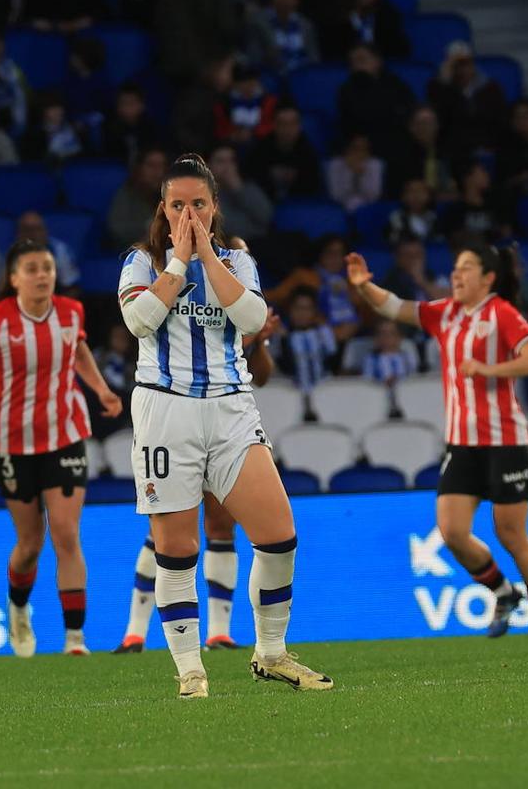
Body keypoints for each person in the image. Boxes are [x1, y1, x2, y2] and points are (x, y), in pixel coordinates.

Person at [116, 153, 333, 697]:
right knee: (177, 549)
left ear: (215, 207)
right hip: (165, 410)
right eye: (178, 204)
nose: (189, 213)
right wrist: (177, 263)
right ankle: (190, 668)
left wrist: (207, 257)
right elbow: (139, 320)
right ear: (162, 210)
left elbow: (255, 320)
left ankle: (271, 653)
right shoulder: (141, 260)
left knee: (279, 536)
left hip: (232, 408)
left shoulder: (237, 262)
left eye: (199, 203)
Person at [347, 240, 528, 638]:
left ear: (488, 278)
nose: (456, 275)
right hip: (462, 443)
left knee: (511, 533)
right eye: (455, 268)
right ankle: (503, 591)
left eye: (465, 268)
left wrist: (487, 367)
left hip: (506, 442)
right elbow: (394, 307)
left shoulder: (502, 313)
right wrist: (363, 285)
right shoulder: (444, 313)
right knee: (452, 532)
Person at [0, 239, 122, 657]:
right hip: (14, 444)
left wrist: (100, 389)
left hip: (65, 435)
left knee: (66, 534)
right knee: (30, 545)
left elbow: (77, 348)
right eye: (32, 269)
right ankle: (19, 609)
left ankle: (75, 639)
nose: (42, 275)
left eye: (47, 267)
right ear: (14, 279)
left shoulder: (70, 311)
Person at [113, 301, 282, 655]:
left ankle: (219, 632)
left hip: (225, 426)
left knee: (221, 526)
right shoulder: (193, 300)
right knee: (166, 532)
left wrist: (261, 342)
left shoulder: (243, 307)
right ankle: (135, 632)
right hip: (177, 420)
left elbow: (262, 377)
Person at [427, 41, 509, 157]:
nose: (462, 69)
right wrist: (444, 81)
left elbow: (500, 122)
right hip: (453, 151)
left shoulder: (491, 88)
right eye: (456, 65)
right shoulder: (439, 88)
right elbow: (438, 118)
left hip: (487, 148)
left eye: (466, 63)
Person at [337, 42, 414, 159]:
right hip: (365, 148)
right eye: (353, 62)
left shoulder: (395, 84)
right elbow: (347, 127)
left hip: (396, 142)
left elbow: (408, 114)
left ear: (377, 61)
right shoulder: (345, 91)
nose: (357, 66)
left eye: (362, 60)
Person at [246, 105, 322, 201]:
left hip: (298, 205)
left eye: (293, 123)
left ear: (300, 126)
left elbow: (313, 187)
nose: (288, 129)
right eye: (283, 124)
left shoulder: (309, 152)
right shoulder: (260, 149)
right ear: (274, 125)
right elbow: (253, 183)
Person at [248, 0, 321, 75]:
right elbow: (254, 58)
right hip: (272, 76)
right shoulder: (258, 23)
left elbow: (314, 58)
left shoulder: (305, 24)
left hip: (302, 76)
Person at [275, 287, 337, 393]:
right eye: (298, 308)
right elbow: (281, 367)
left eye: (307, 309)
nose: (302, 313)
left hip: (325, 391)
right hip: (292, 393)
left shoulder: (324, 333)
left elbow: (334, 363)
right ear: (290, 310)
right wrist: (284, 341)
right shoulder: (282, 336)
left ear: (314, 311)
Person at [208, 144, 272, 242]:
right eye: (221, 161)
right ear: (208, 166)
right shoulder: (204, 196)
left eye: (231, 161)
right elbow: (226, 229)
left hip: (258, 245)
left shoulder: (248, 187)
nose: (227, 167)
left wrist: (238, 189)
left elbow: (266, 217)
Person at [108, 147, 168, 249]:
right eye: (151, 166)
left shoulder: (173, 196)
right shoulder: (127, 194)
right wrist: (148, 229)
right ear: (139, 169)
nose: (157, 172)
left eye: (161, 166)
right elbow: (116, 230)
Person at [15, 210, 79, 291]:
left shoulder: (59, 250)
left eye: (37, 229)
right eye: (27, 230)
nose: (32, 234)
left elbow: (71, 287)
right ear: (18, 234)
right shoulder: (10, 253)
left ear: (45, 231)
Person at [101, 83, 161, 166]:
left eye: (132, 103)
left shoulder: (151, 129)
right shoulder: (109, 129)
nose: (128, 108)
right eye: (124, 103)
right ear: (117, 106)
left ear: (142, 105)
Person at [327, 133, 384, 213]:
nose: (360, 152)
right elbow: (336, 195)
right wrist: (350, 173)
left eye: (364, 148)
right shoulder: (335, 165)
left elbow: (374, 196)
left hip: (368, 207)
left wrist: (359, 175)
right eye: (355, 148)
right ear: (347, 148)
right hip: (341, 206)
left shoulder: (375, 164)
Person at [386, 179, 436, 244]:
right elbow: (394, 239)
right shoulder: (397, 217)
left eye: (420, 191)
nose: (416, 196)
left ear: (429, 196)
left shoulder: (433, 217)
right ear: (403, 197)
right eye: (411, 191)